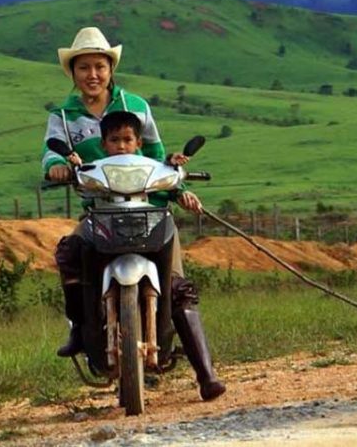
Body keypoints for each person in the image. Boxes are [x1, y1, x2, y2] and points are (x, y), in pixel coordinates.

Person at [42, 27, 226, 402]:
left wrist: (180, 189)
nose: (92, 75)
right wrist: (57, 167)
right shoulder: (62, 116)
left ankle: (206, 373)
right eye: (83, 68)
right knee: (69, 255)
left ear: (111, 69)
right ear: (72, 73)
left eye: (99, 66)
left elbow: (159, 156)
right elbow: (50, 154)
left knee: (177, 286)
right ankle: (79, 328)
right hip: (99, 210)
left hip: (150, 209)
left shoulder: (137, 107)